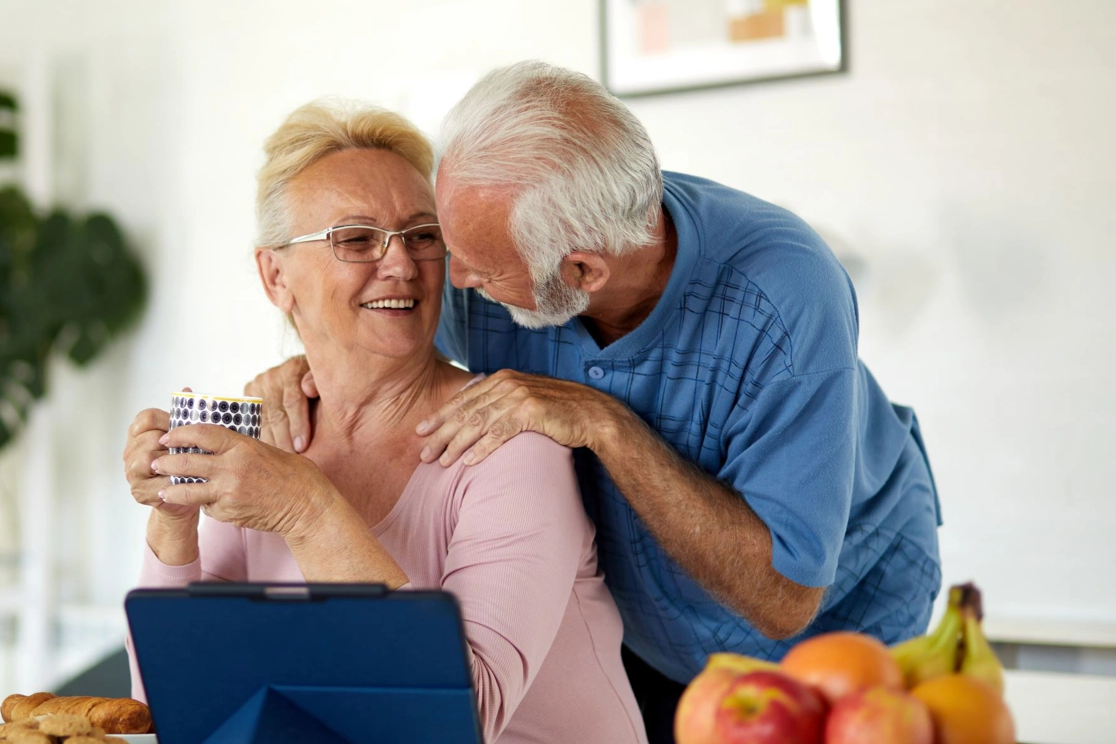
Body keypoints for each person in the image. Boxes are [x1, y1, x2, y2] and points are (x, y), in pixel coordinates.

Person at [248, 62, 943, 743]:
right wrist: (306, 364)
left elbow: (783, 598)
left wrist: (606, 423)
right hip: (649, 628)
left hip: (838, 623)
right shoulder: (490, 247)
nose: (448, 276)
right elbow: (382, 315)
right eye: (443, 241)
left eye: (479, 271)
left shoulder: (784, 296)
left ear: (580, 272)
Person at [120, 100, 648, 744]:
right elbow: (176, 709)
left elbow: (460, 720)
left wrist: (308, 510)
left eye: (422, 235)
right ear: (275, 276)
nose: (401, 265)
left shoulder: (511, 446)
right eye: (356, 238)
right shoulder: (264, 442)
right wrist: (174, 520)